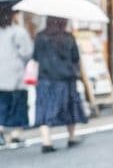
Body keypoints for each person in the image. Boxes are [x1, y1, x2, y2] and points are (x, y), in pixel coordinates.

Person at [33, 16, 87, 152]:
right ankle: (71, 137)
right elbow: (76, 58)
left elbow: (35, 57)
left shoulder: (40, 37)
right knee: (69, 107)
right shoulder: (68, 37)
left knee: (45, 109)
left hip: (45, 79)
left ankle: (46, 141)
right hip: (66, 79)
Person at [0, 6, 33, 147]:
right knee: (18, 105)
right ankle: (15, 134)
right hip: (14, 74)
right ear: (12, 15)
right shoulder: (18, 31)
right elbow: (27, 52)